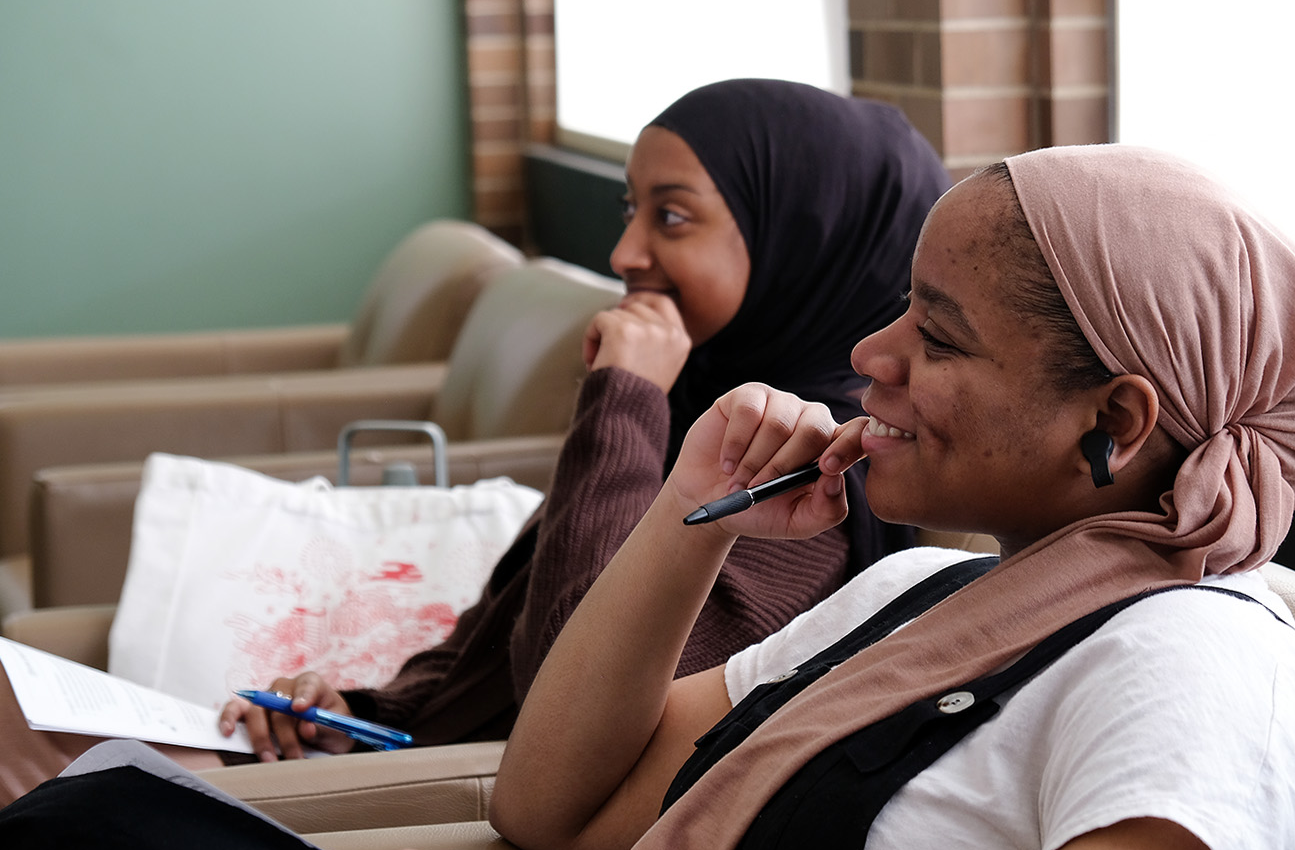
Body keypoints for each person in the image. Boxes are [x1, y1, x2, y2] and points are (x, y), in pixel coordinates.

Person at [328, 144, 1295, 850]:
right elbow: (556, 807)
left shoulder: (1195, 684)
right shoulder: (919, 592)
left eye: (936, 336)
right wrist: (690, 513)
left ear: (1110, 418)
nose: (868, 358)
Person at [0, 78, 951, 802]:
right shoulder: (711, 408)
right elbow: (505, 642)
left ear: (804, 235)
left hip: (463, 810)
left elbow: (568, 694)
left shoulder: (811, 474)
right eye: (631, 211)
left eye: (671, 217)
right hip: (410, 767)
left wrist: (623, 402)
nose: (624, 255)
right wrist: (357, 714)